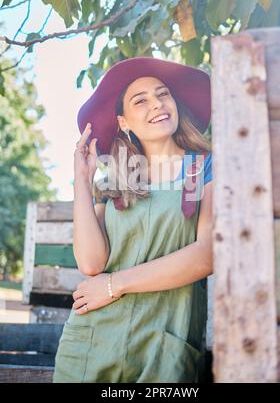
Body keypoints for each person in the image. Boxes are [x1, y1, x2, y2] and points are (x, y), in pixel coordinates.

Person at [53, 56, 213, 383]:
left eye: (163, 94)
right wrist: (81, 181)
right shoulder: (115, 181)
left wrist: (114, 286)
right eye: (141, 100)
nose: (157, 104)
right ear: (124, 122)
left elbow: (207, 255)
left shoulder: (204, 169)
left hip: (165, 346)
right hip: (92, 342)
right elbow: (91, 263)